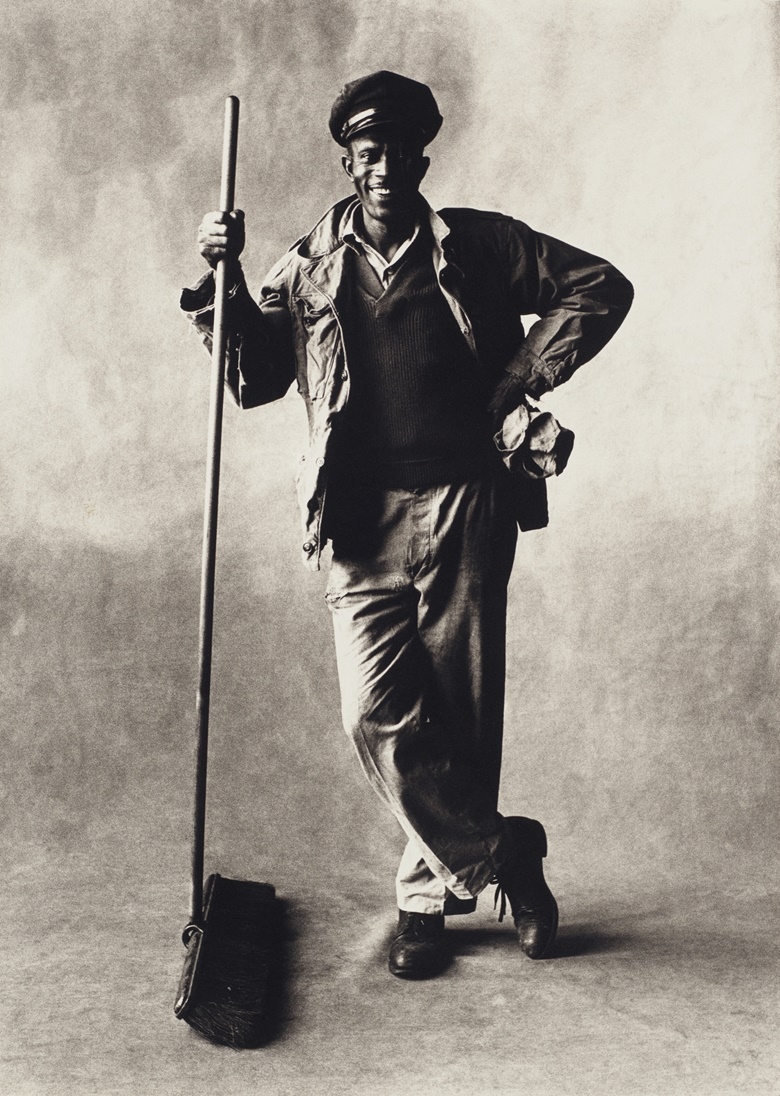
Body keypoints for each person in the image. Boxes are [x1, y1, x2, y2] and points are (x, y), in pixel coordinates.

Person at [182, 71, 633, 979]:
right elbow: (257, 376)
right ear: (350, 161)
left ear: (424, 156)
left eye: (400, 150)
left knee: (458, 714)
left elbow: (598, 287)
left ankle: (422, 904)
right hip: (357, 519)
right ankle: (505, 856)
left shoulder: (477, 243)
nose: (385, 165)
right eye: (368, 150)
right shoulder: (308, 263)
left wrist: (517, 381)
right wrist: (221, 278)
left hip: (467, 500)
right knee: (375, 714)